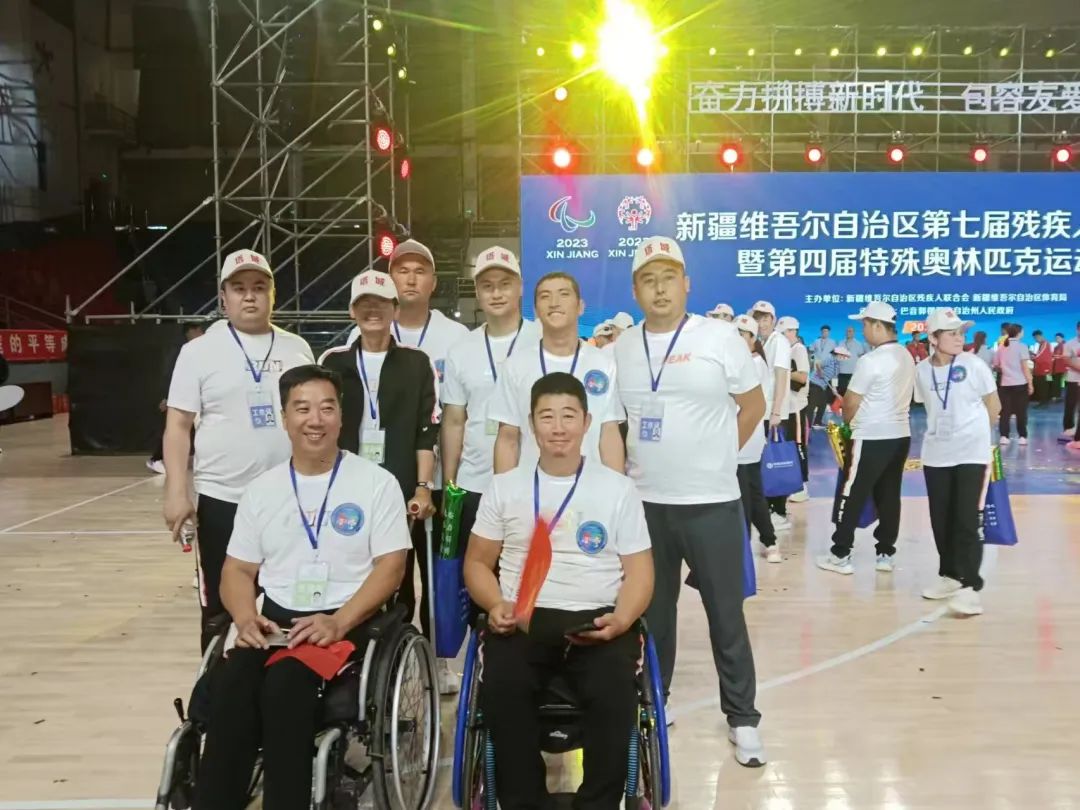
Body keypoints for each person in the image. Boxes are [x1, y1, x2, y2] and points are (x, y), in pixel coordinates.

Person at [193, 365, 410, 810]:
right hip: (273, 621)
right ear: (285, 418)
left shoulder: (376, 483)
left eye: (326, 408)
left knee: (286, 685)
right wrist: (244, 618)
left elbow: (392, 567)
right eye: (303, 408)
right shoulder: (262, 490)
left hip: (345, 619)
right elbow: (236, 570)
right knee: (231, 686)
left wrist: (339, 622)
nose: (315, 420)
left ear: (341, 417)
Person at [464, 372, 654, 810]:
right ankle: (523, 801)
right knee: (503, 687)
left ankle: (599, 804)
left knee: (614, 691)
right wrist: (495, 603)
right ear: (531, 424)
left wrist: (622, 619)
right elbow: (476, 563)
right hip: (522, 619)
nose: (558, 427)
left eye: (568, 415)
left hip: (597, 618)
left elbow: (641, 573)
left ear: (587, 422)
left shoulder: (618, 489)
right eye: (546, 417)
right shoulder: (505, 487)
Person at [614, 236, 767, 766]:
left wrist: (720, 457)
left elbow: (753, 404)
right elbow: (614, 423)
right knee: (653, 615)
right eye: (648, 280)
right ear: (636, 289)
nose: (659, 289)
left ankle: (743, 718)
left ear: (686, 284)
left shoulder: (719, 337)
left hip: (712, 503)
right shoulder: (621, 348)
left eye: (668, 278)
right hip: (645, 505)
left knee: (726, 615)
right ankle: (656, 702)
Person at [164, 249, 315, 651]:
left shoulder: (297, 348)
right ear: (223, 296)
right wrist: (176, 492)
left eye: (259, 287)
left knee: (288, 601)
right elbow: (178, 425)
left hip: (289, 498)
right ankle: (216, 686)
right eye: (239, 288)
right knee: (221, 607)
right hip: (223, 498)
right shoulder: (198, 352)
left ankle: (277, 681)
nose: (250, 296)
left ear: (273, 294)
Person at [317, 269, 441, 638]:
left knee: (401, 572)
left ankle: (404, 646)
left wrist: (423, 487)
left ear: (395, 310)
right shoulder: (334, 362)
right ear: (352, 311)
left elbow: (426, 430)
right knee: (353, 567)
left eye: (382, 304)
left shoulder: (416, 362)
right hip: (346, 487)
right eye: (364, 304)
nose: (373, 311)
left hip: (400, 488)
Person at [384, 238, 469, 692]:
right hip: (392, 479)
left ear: (434, 282)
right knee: (394, 573)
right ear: (390, 279)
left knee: (440, 574)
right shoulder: (372, 331)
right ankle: (394, 661)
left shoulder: (457, 339)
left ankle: (438, 659)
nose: (411, 278)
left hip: (443, 477)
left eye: (420, 270)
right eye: (403, 270)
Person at [440, 247, 541, 613]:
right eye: (487, 286)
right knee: (479, 581)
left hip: (533, 480)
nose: (496, 293)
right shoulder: (462, 349)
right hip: (476, 485)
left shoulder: (542, 339)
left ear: (520, 287)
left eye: (504, 284)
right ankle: (483, 643)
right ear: (477, 292)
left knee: (529, 579)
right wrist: (450, 482)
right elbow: (454, 419)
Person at [491, 272, 624, 475]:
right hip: (531, 486)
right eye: (545, 296)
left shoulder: (603, 364)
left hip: (590, 485)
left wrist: (617, 488)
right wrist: (503, 490)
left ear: (580, 307)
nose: (554, 303)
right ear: (536, 311)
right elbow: (508, 438)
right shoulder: (515, 365)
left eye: (563, 294)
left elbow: (609, 434)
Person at [913, 309, 1001, 618]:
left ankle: (971, 588)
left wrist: (975, 436)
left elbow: (994, 406)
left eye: (961, 332)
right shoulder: (921, 371)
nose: (959, 338)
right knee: (941, 520)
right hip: (937, 453)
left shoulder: (974, 365)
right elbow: (928, 405)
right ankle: (950, 575)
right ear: (933, 338)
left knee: (966, 519)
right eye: (951, 333)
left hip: (971, 454)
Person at [818, 300, 914, 576]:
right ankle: (885, 553)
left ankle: (840, 553)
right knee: (889, 494)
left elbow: (850, 402)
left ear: (878, 326)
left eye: (865, 325)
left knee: (852, 492)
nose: (863, 330)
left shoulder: (870, 360)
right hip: (900, 435)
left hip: (871, 435)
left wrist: (848, 423)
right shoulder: (906, 355)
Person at [731, 315, 780, 563]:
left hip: (745, 438)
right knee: (753, 490)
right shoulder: (743, 362)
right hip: (740, 437)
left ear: (752, 338)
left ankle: (743, 549)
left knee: (746, 494)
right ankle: (769, 541)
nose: (736, 338)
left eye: (741, 334)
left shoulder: (754, 364)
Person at [750, 300, 792, 532]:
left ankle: (780, 511)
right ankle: (767, 508)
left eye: (765, 319)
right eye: (758, 319)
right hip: (761, 411)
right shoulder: (761, 342)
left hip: (773, 413)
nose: (762, 323)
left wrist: (776, 410)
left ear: (773, 320)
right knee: (765, 461)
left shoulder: (779, 342)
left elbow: (781, 377)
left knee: (777, 460)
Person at [148, 321, 205, 474]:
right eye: (198, 331)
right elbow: (172, 376)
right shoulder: (182, 351)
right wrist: (168, 397)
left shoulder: (203, 350)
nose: (201, 335)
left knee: (199, 428)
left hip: (200, 396)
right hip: (182, 397)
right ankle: (157, 459)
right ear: (192, 331)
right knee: (176, 427)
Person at [780, 316, 811, 503]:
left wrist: (782, 371)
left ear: (793, 332)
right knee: (790, 445)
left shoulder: (798, 349)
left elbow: (802, 377)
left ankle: (802, 486)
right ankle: (793, 484)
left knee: (798, 445)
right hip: (787, 407)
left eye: (784, 333)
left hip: (796, 406)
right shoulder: (788, 350)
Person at [992, 324, 1033, 446]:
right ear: (1019, 333)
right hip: (1020, 383)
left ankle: (1004, 436)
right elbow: (1025, 367)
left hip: (1005, 384)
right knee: (1021, 411)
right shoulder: (1022, 346)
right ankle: (1022, 436)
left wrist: (1006, 370)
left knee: (1005, 412)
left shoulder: (1001, 347)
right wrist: (1030, 383)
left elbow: (996, 365)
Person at [808, 345, 842, 428]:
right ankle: (807, 425)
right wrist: (820, 372)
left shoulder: (837, 364)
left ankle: (817, 422)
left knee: (823, 404)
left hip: (823, 386)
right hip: (815, 384)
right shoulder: (829, 358)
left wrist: (834, 389)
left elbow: (834, 377)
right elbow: (818, 364)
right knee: (812, 405)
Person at [1062, 322, 1080, 439]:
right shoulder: (1070, 344)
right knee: (1070, 405)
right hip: (1073, 379)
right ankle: (1068, 428)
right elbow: (1066, 360)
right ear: (1077, 329)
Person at [836, 325, 865, 394]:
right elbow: (837, 356)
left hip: (853, 372)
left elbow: (861, 358)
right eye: (847, 331)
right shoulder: (840, 343)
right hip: (842, 371)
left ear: (853, 333)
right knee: (841, 392)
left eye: (850, 331)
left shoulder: (858, 344)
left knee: (852, 392)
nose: (848, 333)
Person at [1030, 330, 1054, 406]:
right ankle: (1047, 399)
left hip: (1044, 370)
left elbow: (1040, 356)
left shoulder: (1045, 344)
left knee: (1042, 386)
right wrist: (1033, 355)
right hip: (1048, 369)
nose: (1035, 340)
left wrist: (1032, 357)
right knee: (1048, 384)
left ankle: (1043, 403)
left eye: (1035, 338)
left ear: (1039, 336)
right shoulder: (1043, 344)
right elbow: (1040, 355)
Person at [1052, 333, 1067, 403]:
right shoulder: (1056, 347)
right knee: (1057, 382)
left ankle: (1058, 396)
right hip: (1056, 367)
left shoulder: (1065, 346)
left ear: (1062, 338)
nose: (1056, 339)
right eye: (1056, 338)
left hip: (1063, 367)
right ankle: (1057, 396)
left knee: (1061, 382)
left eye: (1058, 338)